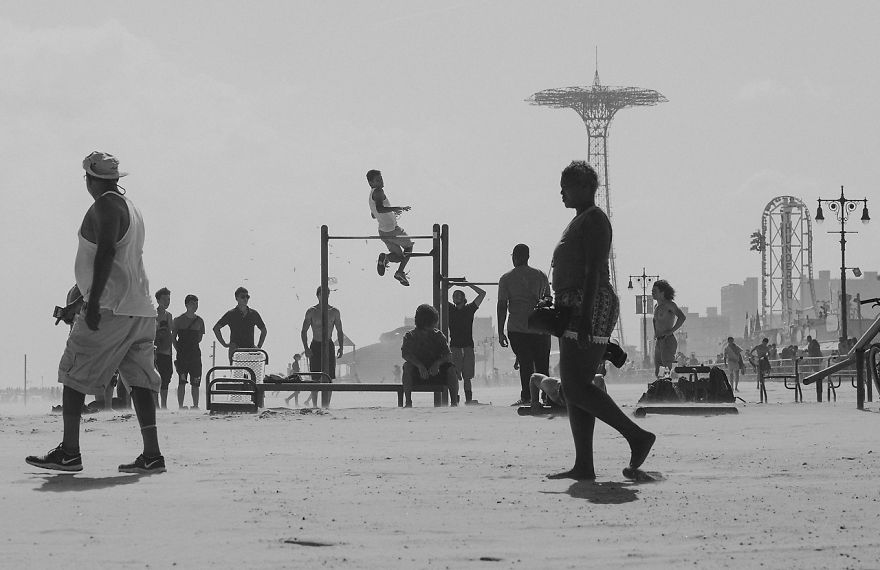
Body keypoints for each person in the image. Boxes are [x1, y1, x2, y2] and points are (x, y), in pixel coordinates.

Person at [26, 151, 166, 474]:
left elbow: (105, 254)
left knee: (73, 372)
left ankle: (70, 452)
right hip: (140, 308)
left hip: (111, 308)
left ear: (91, 179)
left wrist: (91, 305)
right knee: (141, 381)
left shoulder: (105, 205)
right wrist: (78, 302)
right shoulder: (132, 208)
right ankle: (152, 455)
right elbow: (119, 264)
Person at [545, 160, 655, 480]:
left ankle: (637, 436)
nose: (561, 192)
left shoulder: (595, 220)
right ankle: (584, 465)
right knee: (575, 386)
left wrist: (584, 319)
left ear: (583, 187)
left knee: (576, 388)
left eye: (566, 185)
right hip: (575, 303)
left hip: (587, 304)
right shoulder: (580, 220)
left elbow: (594, 270)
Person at [497, 243, 551, 406]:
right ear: (528, 257)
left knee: (525, 363)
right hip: (540, 327)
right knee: (542, 364)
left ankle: (527, 396)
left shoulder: (506, 278)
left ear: (514, 256)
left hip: (517, 328)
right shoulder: (541, 275)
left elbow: (502, 305)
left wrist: (501, 331)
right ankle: (547, 396)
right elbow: (549, 299)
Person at [401, 304, 459, 407]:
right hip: (417, 374)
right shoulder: (410, 336)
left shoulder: (438, 335)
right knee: (407, 367)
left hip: (436, 373)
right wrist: (419, 365)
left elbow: (448, 355)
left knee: (451, 369)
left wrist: (437, 363)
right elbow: (406, 354)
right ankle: (408, 402)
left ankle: (454, 402)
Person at [366, 169, 413, 286]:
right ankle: (400, 272)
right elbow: (380, 209)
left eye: (381, 179)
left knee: (399, 257)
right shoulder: (378, 191)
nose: (381, 182)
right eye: (377, 180)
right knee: (409, 247)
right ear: (371, 183)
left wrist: (390, 214)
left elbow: (374, 213)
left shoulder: (372, 194)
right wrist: (396, 208)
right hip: (392, 230)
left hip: (383, 232)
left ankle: (385, 258)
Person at [302, 286, 345, 407]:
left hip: (328, 344)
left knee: (329, 377)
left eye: (327, 294)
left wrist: (341, 347)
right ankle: (315, 405)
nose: (325, 296)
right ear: (318, 295)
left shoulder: (334, 311)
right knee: (315, 378)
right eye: (322, 294)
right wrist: (306, 348)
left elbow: (339, 330)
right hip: (315, 344)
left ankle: (326, 405)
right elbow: (303, 330)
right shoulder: (311, 311)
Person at [448, 283, 487, 404]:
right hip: (455, 347)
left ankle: (468, 399)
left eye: (458, 295)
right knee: (454, 376)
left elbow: (482, 293)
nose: (456, 297)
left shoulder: (469, 309)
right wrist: (450, 285)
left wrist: (468, 285)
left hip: (468, 346)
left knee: (467, 377)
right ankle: (455, 398)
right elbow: (439, 293)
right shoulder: (450, 309)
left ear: (464, 299)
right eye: (454, 295)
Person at [213, 286, 267, 363]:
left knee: (250, 374)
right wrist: (224, 344)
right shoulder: (231, 314)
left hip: (250, 350)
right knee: (237, 374)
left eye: (247, 297)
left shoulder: (253, 314)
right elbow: (216, 328)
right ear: (236, 298)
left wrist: (258, 347)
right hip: (235, 350)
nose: (245, 299)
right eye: (242, 297)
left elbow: (264, 330)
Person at [172, 294, 204, 409]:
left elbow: (200, 338)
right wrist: (179, 349)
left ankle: (195, 405)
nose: (195, 306)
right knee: (182, 381)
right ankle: (181, 406)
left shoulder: (200, 321)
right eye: (192, 303)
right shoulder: (178, 320)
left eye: (196, 303)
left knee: (196, 382)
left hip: (195, 355)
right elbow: (173, 338)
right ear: (186, 305)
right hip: (182, 356)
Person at [652, 279, 686, 378]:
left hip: (667, 340)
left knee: (667, 369)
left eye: (655, 291)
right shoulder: (656, 306)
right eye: (652, 291)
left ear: (662, 292)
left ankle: (671, 388)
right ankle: (661, 389)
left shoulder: (669, 305)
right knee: (658, 370)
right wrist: (655, 332)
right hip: (659, 341)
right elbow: (654, 320)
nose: (652, 293)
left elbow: (682, 317)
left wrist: (671, 330)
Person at [154, 287, 173, 409]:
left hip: (167, 352)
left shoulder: (169, 316)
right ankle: (156, 405)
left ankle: (164, 405)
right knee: (156, 378)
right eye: (165, 299)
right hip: (155, 352)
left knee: (166, 378)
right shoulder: (153, 314)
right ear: (158, 300)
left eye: (169, 299)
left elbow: (169, 333)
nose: (167, 302)